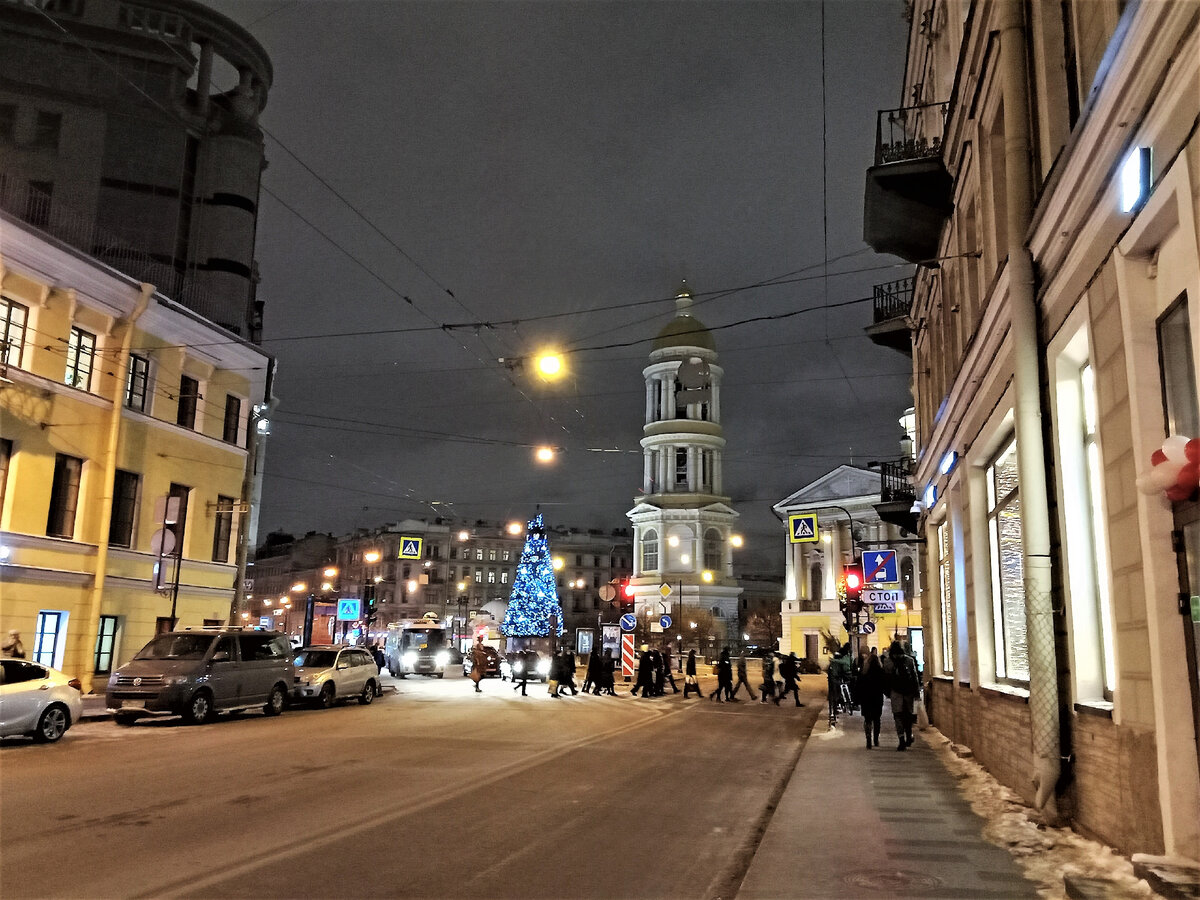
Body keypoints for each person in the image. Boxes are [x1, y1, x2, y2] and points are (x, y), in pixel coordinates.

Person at [883, 640, 920, 750]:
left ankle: (901, 739)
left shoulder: (888, 662)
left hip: (896, 692)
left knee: (898, 716)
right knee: (908, 715)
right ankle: (909, 735)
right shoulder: (909, 660)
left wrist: (887, 692)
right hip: (908, 692)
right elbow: (914, 677)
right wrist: (916, 692)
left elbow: (886, 679)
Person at [857, 647, 887, 748]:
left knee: (868, 719)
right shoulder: (880, 672)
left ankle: (868, 738)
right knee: (877, 719)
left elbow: (859, 685)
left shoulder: (864, 672)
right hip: (877, 698)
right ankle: (876, 739)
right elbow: (884, 685)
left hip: (866, 698)